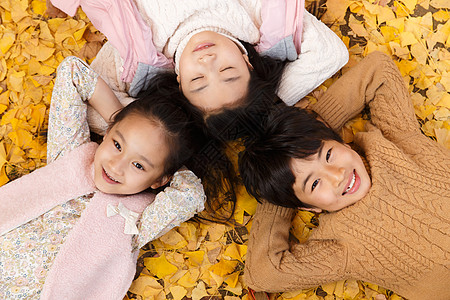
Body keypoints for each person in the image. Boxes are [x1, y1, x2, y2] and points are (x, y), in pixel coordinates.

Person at [239, 52, 450, 300]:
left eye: (328, 154)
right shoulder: (342, 247)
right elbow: (264, 273)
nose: (337, 176)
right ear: (308, 208)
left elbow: (378, 70)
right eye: (315, 183)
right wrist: (282, 192)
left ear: (342, 144)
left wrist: (315, 126)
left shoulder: (394, 139)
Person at [0, 56, 206, 299]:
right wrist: (121, 117)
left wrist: (167, 164)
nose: (115, 166)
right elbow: (73, 73)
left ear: (160, 180)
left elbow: (191, 194)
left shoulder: (139, 220)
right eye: (118, 144)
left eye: (138, 165)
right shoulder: (72, 155)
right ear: (109, 131)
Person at [48, 0, 349, 132]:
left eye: (198, 82)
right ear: (249, 62)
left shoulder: (144, 56)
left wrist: (174, 125)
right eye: (228, 72)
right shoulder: (255, 22)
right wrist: (263, 105)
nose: (207, 63)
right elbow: (332, 54)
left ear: (178, 81)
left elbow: (89, 108)